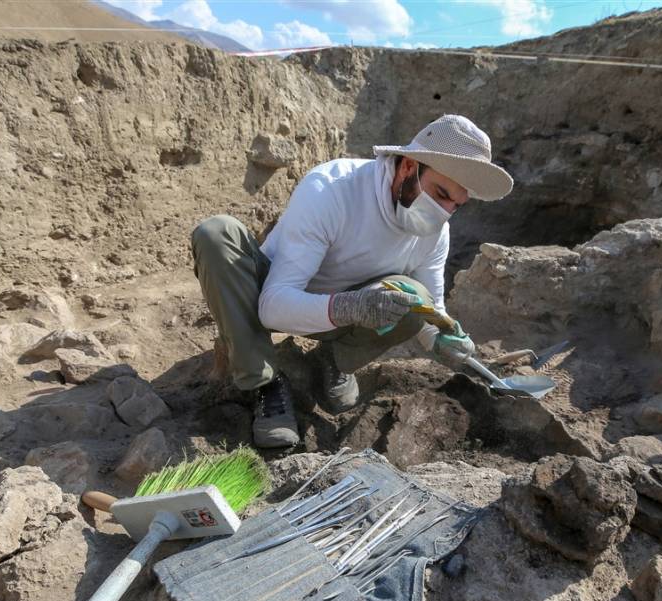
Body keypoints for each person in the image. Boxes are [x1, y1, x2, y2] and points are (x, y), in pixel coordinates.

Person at [189, 114, 514, 448]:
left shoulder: (435, 233)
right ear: (407, 167)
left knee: (415, 299)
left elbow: (430, 307)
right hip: (271, 295)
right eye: (440, 193)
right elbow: (273, 307)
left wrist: (443, 339)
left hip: (340, 319)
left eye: (456, 205)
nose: (444, 212)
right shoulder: (331, 189)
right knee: (216, 234)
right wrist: (351, 307)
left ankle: (333, 362)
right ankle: (265, 385)